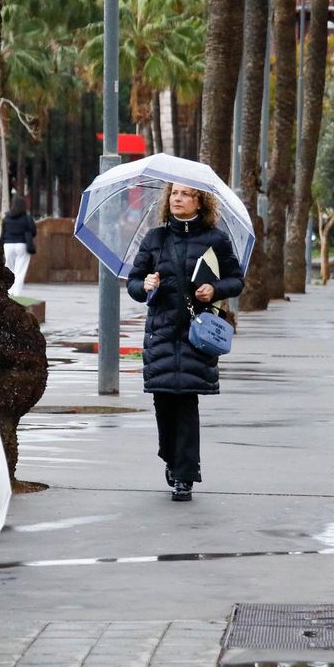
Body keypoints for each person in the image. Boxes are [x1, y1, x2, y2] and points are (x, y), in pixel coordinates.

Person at [126, 183, 245, 501]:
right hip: (161, 332)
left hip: (196, 334)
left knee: (186, 403)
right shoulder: (155, 239)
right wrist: (145, 284)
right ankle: (171, 457)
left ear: (200, 201)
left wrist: (215, 289)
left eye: (185, 194)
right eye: (174, 194)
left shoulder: (215, 240)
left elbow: (236, 280)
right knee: (163, 403)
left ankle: (185, 475)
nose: (177, 198)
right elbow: (133, 284)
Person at [0, 194, 37, 297]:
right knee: (20, 270)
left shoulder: (6, 218)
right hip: (22, 245)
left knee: (9, 269)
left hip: (8, 246)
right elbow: (33, 231)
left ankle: (8, 292)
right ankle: (16, 293)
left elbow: (2, 234)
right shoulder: (27, 218)